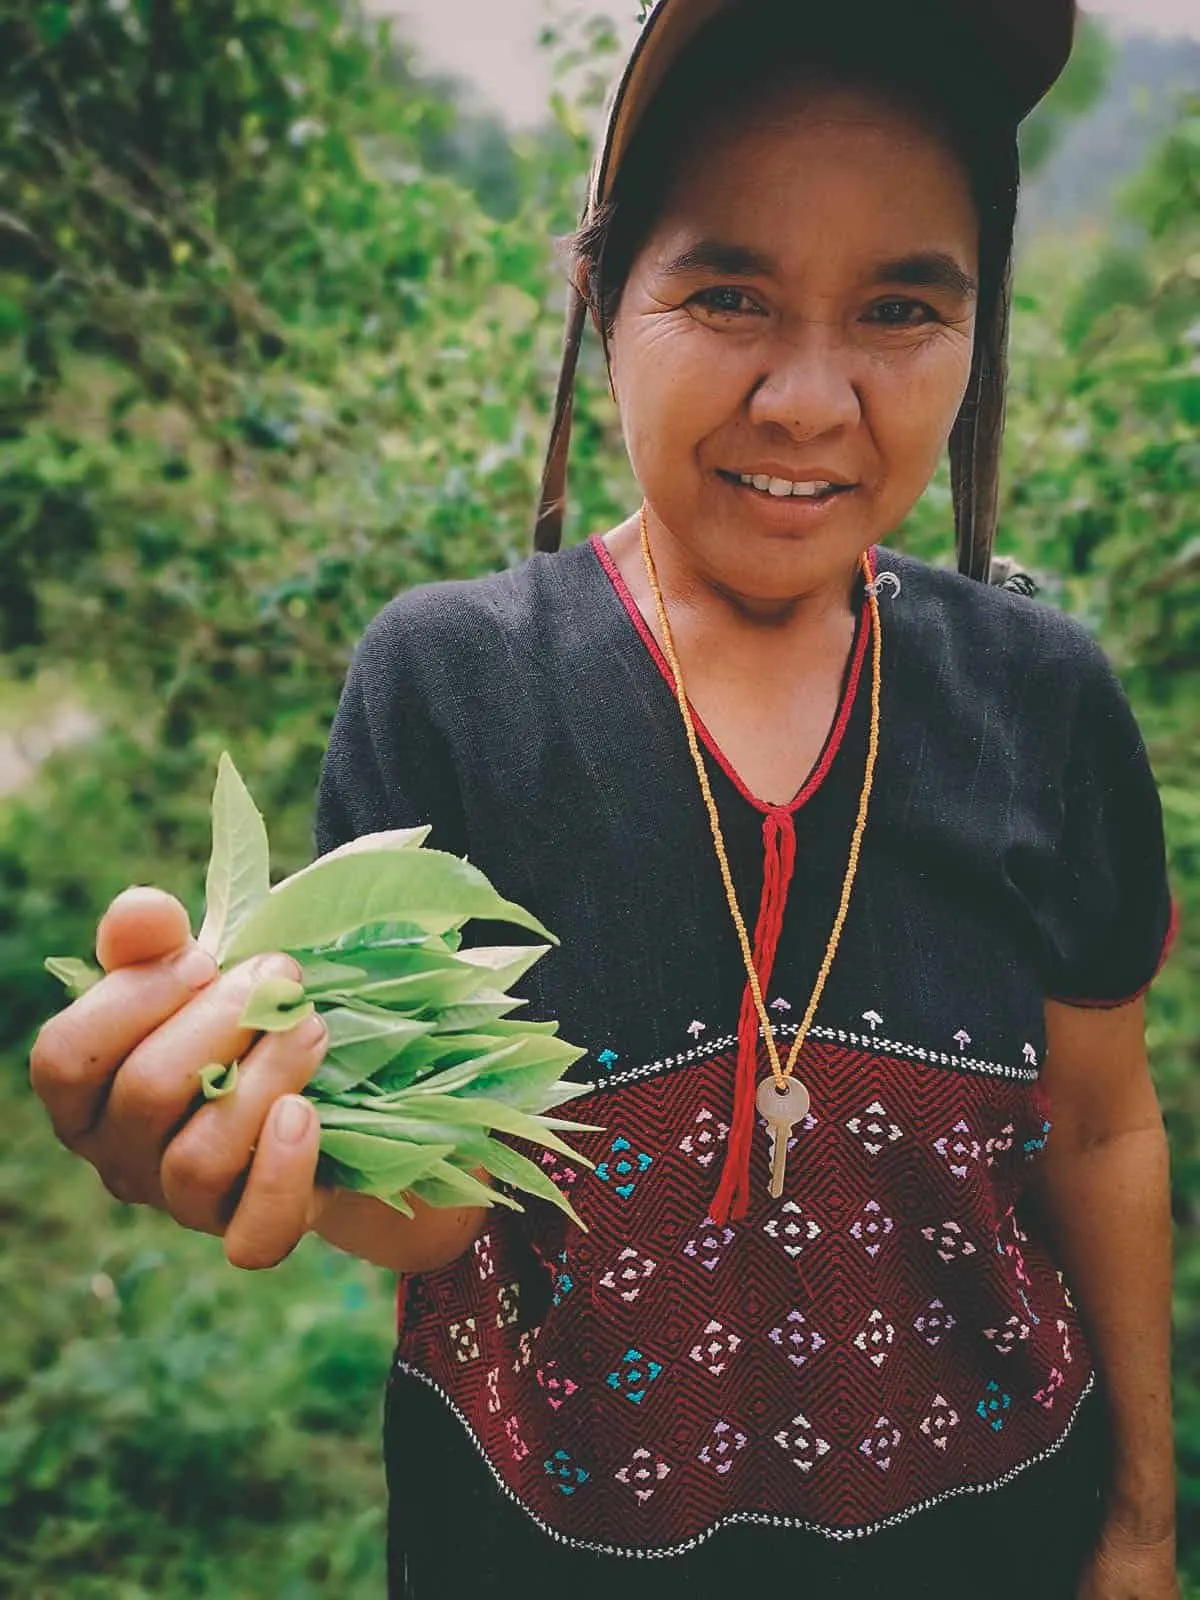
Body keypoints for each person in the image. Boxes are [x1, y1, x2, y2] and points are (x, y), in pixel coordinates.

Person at [30, 1, 1180, 1596]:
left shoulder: (1043, 699)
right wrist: (268, 1121)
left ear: (977, 329)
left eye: (903, 306)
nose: (807, 400)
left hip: (994, 1532)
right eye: (727, 293)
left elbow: (1107, 1127)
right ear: (600, 296)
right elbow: (432, 1218)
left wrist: (1138, 1523)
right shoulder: (454, 686)